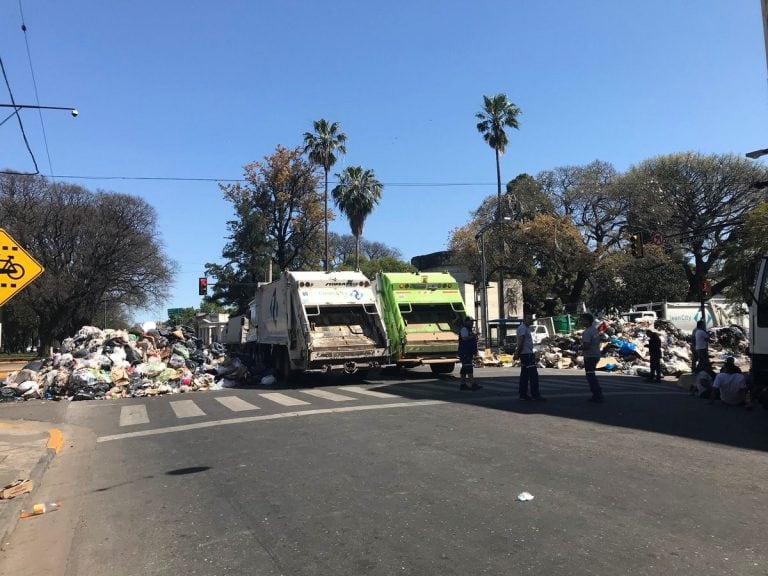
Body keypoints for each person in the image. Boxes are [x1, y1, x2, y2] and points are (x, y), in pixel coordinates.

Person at [513, 312, 545, 401]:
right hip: (526, 354)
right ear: (524, 319)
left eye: (531, 318)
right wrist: (517, 353)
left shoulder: (525, 328)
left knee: (525, 375)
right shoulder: (522, 328)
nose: (530, 320)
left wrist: (518, 353)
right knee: (533, 375)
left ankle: (523, 394)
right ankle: (535, 394)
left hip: (526, 353)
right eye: (528, 318)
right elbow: (521, 342)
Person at [580, 313, 604, 403]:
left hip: (590, 356)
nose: (581, 321)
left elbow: (586, 346)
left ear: (587, 321)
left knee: (590, 376)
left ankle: (597, 394)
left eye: (582, 320)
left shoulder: (587, 332)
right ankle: (597, 394)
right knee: (591, 374)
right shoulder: (594, 330)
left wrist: (578, 348)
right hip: (596, 354)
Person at [458, 316, 481, 391]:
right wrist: (473, 336)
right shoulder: (464, 329)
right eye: (471, 322)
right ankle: (472, 383)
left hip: (468, 351)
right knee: (469, 367)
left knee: (464, 368)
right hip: (465, 351)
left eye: (473, 322)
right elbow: (464, 338)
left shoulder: (468, 329)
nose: (472, 323)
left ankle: (463, 384)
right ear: (466, 322)